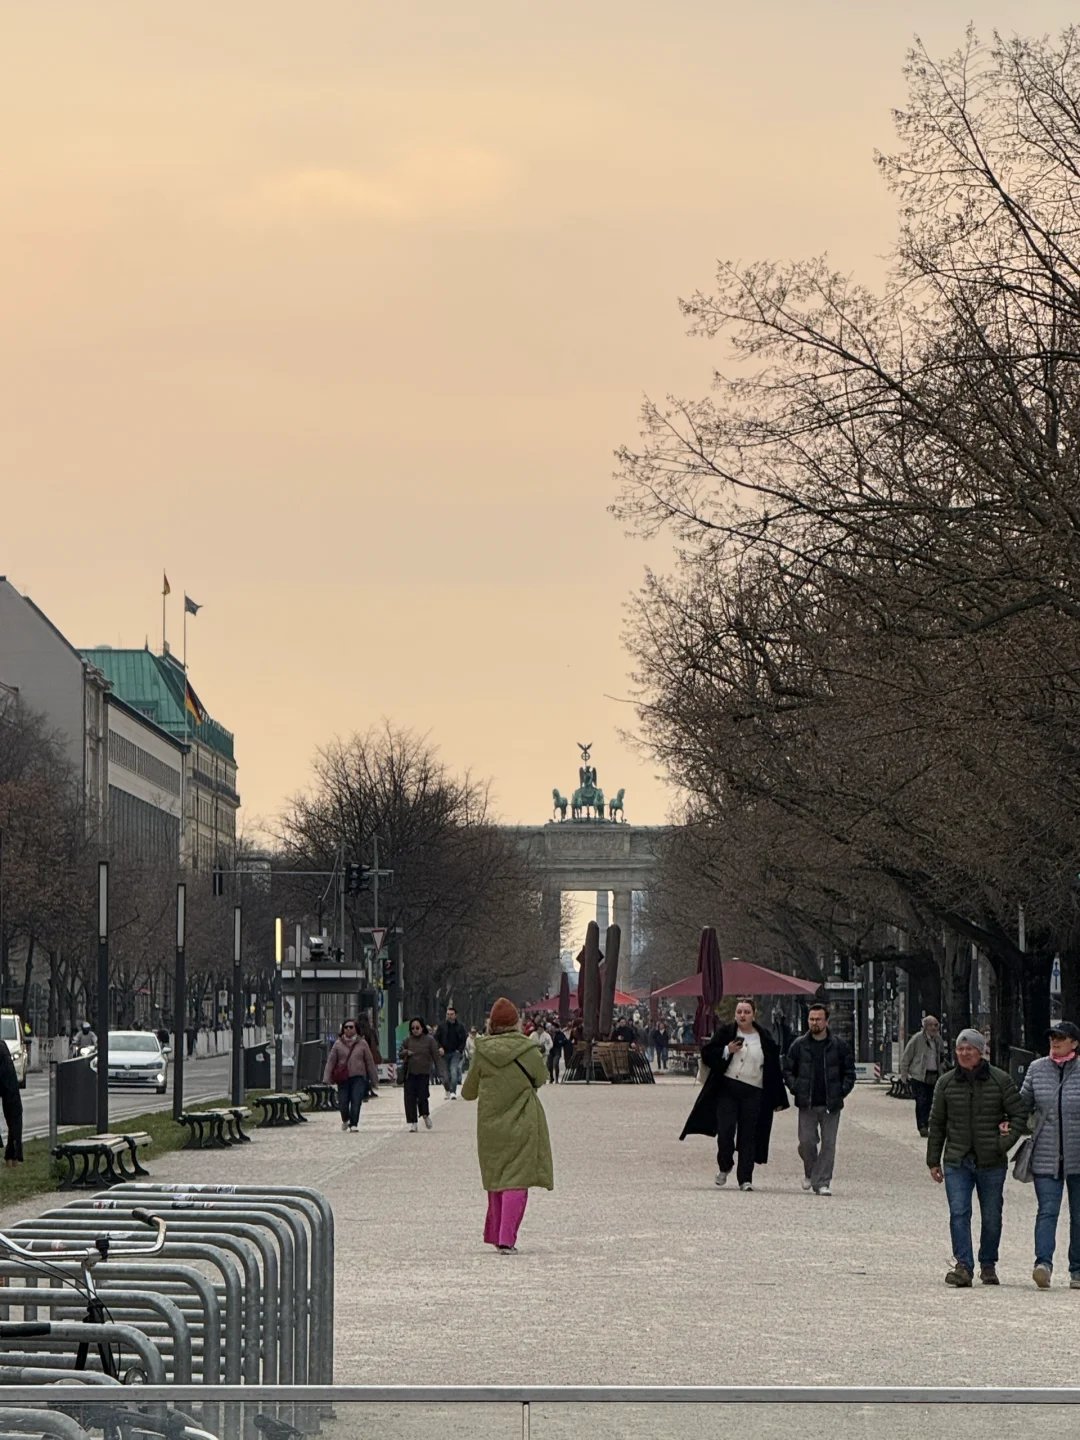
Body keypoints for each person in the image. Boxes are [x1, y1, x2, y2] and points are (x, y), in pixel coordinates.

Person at [927, 1027, 1028, 1287]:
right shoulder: (946, 1082)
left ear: (980, 1051)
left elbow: (1019, 1116)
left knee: (992, 1215)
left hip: (991, 1160)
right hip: (956, 1159)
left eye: (969, 1048)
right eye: (960, 1049)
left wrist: (1002, 1144)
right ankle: (963, 1266)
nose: (964, 1053)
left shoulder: (1000, 1080)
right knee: (959, 1212)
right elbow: (937, 1123)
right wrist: (933, 1160)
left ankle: (988, 1263)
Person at [461, 997, 553, 1253]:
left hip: (490, 1123)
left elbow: (469, 1092)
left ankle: (495, 1234)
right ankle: (506, 1238)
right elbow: (541, 1077)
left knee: (496, 1178)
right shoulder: (528, 1049)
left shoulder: (481, 1050)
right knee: (517, 1179)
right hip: (523, 1119)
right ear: (516, 1023)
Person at [681, 998, 789, 1191]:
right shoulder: (727, 1032)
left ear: (753, 1014)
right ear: (735, 1014)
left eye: (747, 1012)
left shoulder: (763, 1036)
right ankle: (725, 1165)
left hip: (754, 1090)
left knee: (749, 1135)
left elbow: (772, 1067)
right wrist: (726, 1050)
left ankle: (745, 1178)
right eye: (739, 1012)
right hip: (728, 1088)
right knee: (725, 1131)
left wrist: (777, 1097)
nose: (743, 1015)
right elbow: (707, 1053)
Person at [1019, 1020, 1080, 1289]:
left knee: (1079, 1214)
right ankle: (1043, 1264)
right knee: (1047, 1211)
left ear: (1074, 1043)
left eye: (1061, 1037)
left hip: (1078, 1154)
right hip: (1045, 1152)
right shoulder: (1036, 1069)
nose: (1055, 1041)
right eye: (1052, 1037)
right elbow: (1022, 1104)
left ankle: (1077, 1269)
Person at [783, 1003, 856, 1196]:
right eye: (811, 1019)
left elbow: (849, 1072)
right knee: (806, 1142)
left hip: (831, 1103)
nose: (814, 1022)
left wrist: (841, 1091)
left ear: (826, 1021)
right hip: (806, 1102)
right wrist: (796, 1087)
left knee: (828, 1144)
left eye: (818, 1019)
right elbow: (788, 1070)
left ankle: (822, 1182)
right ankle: (812, 1172)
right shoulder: (799, 1045)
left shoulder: (839, 1046)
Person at [323, 1019, 378, 1132]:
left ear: (356, 1029)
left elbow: (369, 1061)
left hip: (358, 1077)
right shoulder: (338, 1044)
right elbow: (331, 1061)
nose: (348, 1029)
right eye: (346, 1027)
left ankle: (354, 1124)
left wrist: (374, 1079)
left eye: (351, 1027)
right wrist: (326, 1078)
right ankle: (345, 1119)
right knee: (343, 1102)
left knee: (356, 1100)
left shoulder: (362, 1043)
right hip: (343, 1078)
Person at [900, 1015, 947, 1137]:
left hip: (934, 1074)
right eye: (932, 1025)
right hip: (919, 1076)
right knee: (921, 1101)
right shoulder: (917, 1039)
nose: (935, 1028)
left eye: (936, 1025)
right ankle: (922, 1126)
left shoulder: (938, 1040)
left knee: (932, 1101)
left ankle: (929, 1124)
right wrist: (904, 1074)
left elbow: (942, 1056)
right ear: (925, 1027)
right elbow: (906, 1057)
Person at [399, 1018, 440, 1131]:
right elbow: (400, 1053)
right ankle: (412, 1122)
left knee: (422, 1096)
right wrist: (406, 1052)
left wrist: (440, 1070)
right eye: (412, 1028)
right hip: (410, 1073)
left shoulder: (429, 1040)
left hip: (423, 1073)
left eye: (417, 1028)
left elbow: (435, 1055)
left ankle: (425, 1114)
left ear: (422, 1028)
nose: (415, 1030)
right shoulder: (407, 1040)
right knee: (409, 1098)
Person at [435, 1005, 468, 1099]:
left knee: (453, 1071)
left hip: (455, 1053)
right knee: (445, 1074)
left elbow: (463, 1039)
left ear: (455, 1015)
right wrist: (439, 1047)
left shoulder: (460, 1027)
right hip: (444, 1053)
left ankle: (453, 1091)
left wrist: (459, 1050)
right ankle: (447, 1089)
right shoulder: (442, 1027)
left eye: (451, 1014)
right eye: (448, 1014)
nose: (449, 1016)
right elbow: (436, 1038)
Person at [0, 1038, 23, 1167]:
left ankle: (12, 1155)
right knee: (15, 1113)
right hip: (5, 1061)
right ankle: (13, 1155)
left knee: (14, 1111)